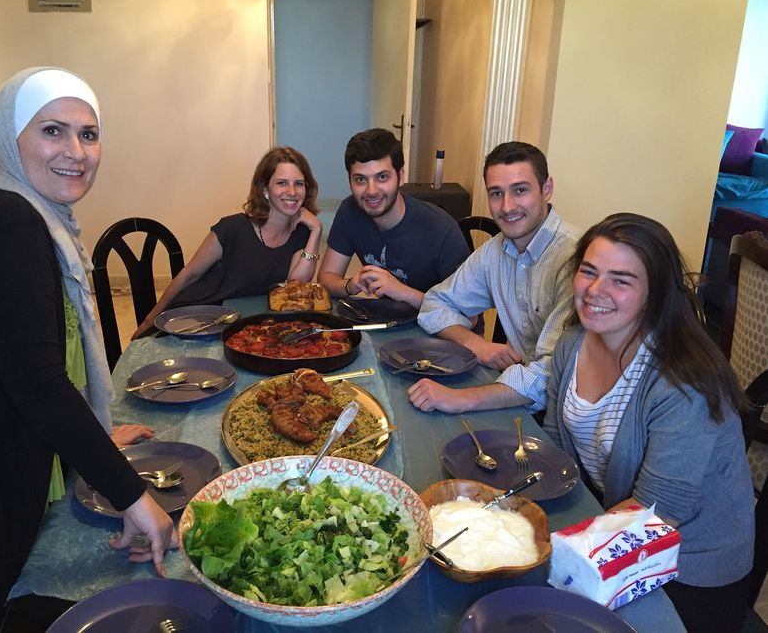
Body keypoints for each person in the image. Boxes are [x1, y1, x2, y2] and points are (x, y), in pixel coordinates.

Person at [0, 67, 177, 630]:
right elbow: (36, 381)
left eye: (89, 134)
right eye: (53, 130)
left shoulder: (20, 215)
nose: (76, 151)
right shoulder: (7, 221)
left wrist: (92, 434)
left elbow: (26, 361)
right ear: (9, 137)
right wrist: (134, 498)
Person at [544, 213, 754, 632]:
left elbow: (657, 516)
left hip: (688, 569)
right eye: (589, 271)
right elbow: (553, 445)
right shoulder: (572, 344)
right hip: (611, 523)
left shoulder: (683, 381)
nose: (596, 290)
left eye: (621, 280)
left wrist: (553, 553)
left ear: (653, 295)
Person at [409, 141, 578, 414]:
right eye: (496, 193)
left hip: (563, 418)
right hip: (517, 401)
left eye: (520, 190)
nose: (507, 206)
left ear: (546, 189)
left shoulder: (576, 260)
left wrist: (462, 399)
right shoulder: (494, 252)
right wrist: (477, 344)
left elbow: (552, 373)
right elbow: (434, 304)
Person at [133, 146, 323, 338]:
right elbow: (189, 275)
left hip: (239, 325)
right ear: (265, 188)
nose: (292, 191)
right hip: (198, 318)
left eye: (299, 183)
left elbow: (296, 284)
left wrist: (316, 231)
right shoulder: (232, 228)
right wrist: (150, 320)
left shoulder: (302, 233)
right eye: (282, 183)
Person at [317, 128, 469, 309]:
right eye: (360, 179)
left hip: (447, 330)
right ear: (350, 181)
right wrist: (350, 284)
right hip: (395, 323)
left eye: (382, 177)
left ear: (401, 176)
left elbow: (467, 313)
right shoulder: (350, 211)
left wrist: (401, 291)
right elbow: (326, 277)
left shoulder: (440, 228)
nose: (371, 191)